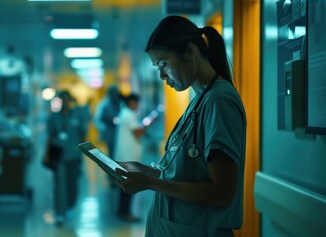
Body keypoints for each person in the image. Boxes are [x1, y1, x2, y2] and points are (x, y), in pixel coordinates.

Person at [113, 15, 247, 237]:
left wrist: (150, 183)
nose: (162, 75)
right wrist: (143, 171)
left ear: (190, 52)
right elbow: (187, 175)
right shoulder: (199, 101)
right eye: (157, 67)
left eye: (164, 64)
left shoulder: (218, 101)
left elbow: (221, 192)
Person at [43, 90, 87, 226]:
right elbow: (50, 136)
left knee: (72, 183)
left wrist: (85, 153)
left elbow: (83, 135)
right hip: (59, 155)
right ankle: (60, 212)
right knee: (60, 184)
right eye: (63, 99)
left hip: (74, 155)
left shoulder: (78, 115)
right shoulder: (53, 117)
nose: (66, 102)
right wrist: (46, 154)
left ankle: (70, 207)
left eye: (68, 99)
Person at [113, 93, 147, 222]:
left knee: (124, 186)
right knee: (129, 185)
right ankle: (125, 213)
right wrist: (149, 123)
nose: (137, 106)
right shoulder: (128, 115)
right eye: (136, 103)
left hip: (126, 155)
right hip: (128, 156)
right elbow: (138, 132)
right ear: (131, 102)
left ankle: (122, 211)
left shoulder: (125, 113)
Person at [94, 85, 122, 159]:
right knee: (112, 153)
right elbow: (100, 118)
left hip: (119, 133)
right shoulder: (105, 105)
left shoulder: (119, 104)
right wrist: (111, 121)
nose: (115, 95)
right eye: (113, 93)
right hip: (110, 133)